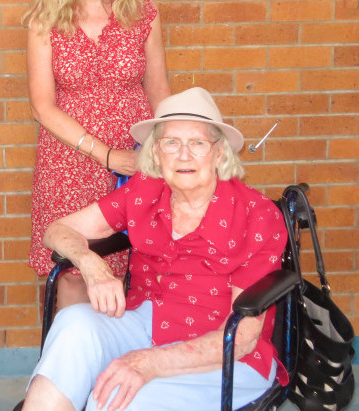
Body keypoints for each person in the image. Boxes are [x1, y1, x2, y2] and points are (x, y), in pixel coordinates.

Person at [23, 87, 287, 411]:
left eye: (198, 143)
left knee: (110, 400)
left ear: (219, 153)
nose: (183, 155)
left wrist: (147, 363)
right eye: (171, 142)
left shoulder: (256, 215)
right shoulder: (146, 188)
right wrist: (92, 265)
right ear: (157, 152)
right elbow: (58, 230)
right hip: (146, 322)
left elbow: (244, 337)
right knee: (73, 324)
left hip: (224, 349)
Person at [24, 0, 170, 309]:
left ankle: (118, 366)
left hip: (135, 154)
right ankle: (72, 366)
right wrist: (106, 155)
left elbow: (159, 91)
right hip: (68, 160)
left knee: (130, 263)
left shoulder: (142, 12)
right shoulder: (46, 19)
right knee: (73, 269)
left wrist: (166, 150)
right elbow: (42, 107)